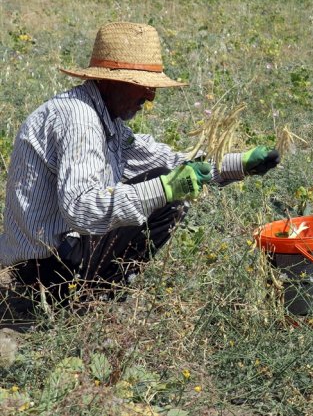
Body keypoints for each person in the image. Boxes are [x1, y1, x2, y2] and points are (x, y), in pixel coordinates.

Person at [0, 22, 280, 305]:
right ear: (110, 81)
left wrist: (240, 163)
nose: (150, 97)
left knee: (163, 181)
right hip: (44, 270)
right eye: (142, 87)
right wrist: (165, 189)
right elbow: (81, 209)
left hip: (60, 258)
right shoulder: (79, 120)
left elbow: (172, 163)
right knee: (164, 194)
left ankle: (96, 297)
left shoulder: (106, 120)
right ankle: (90, 300)